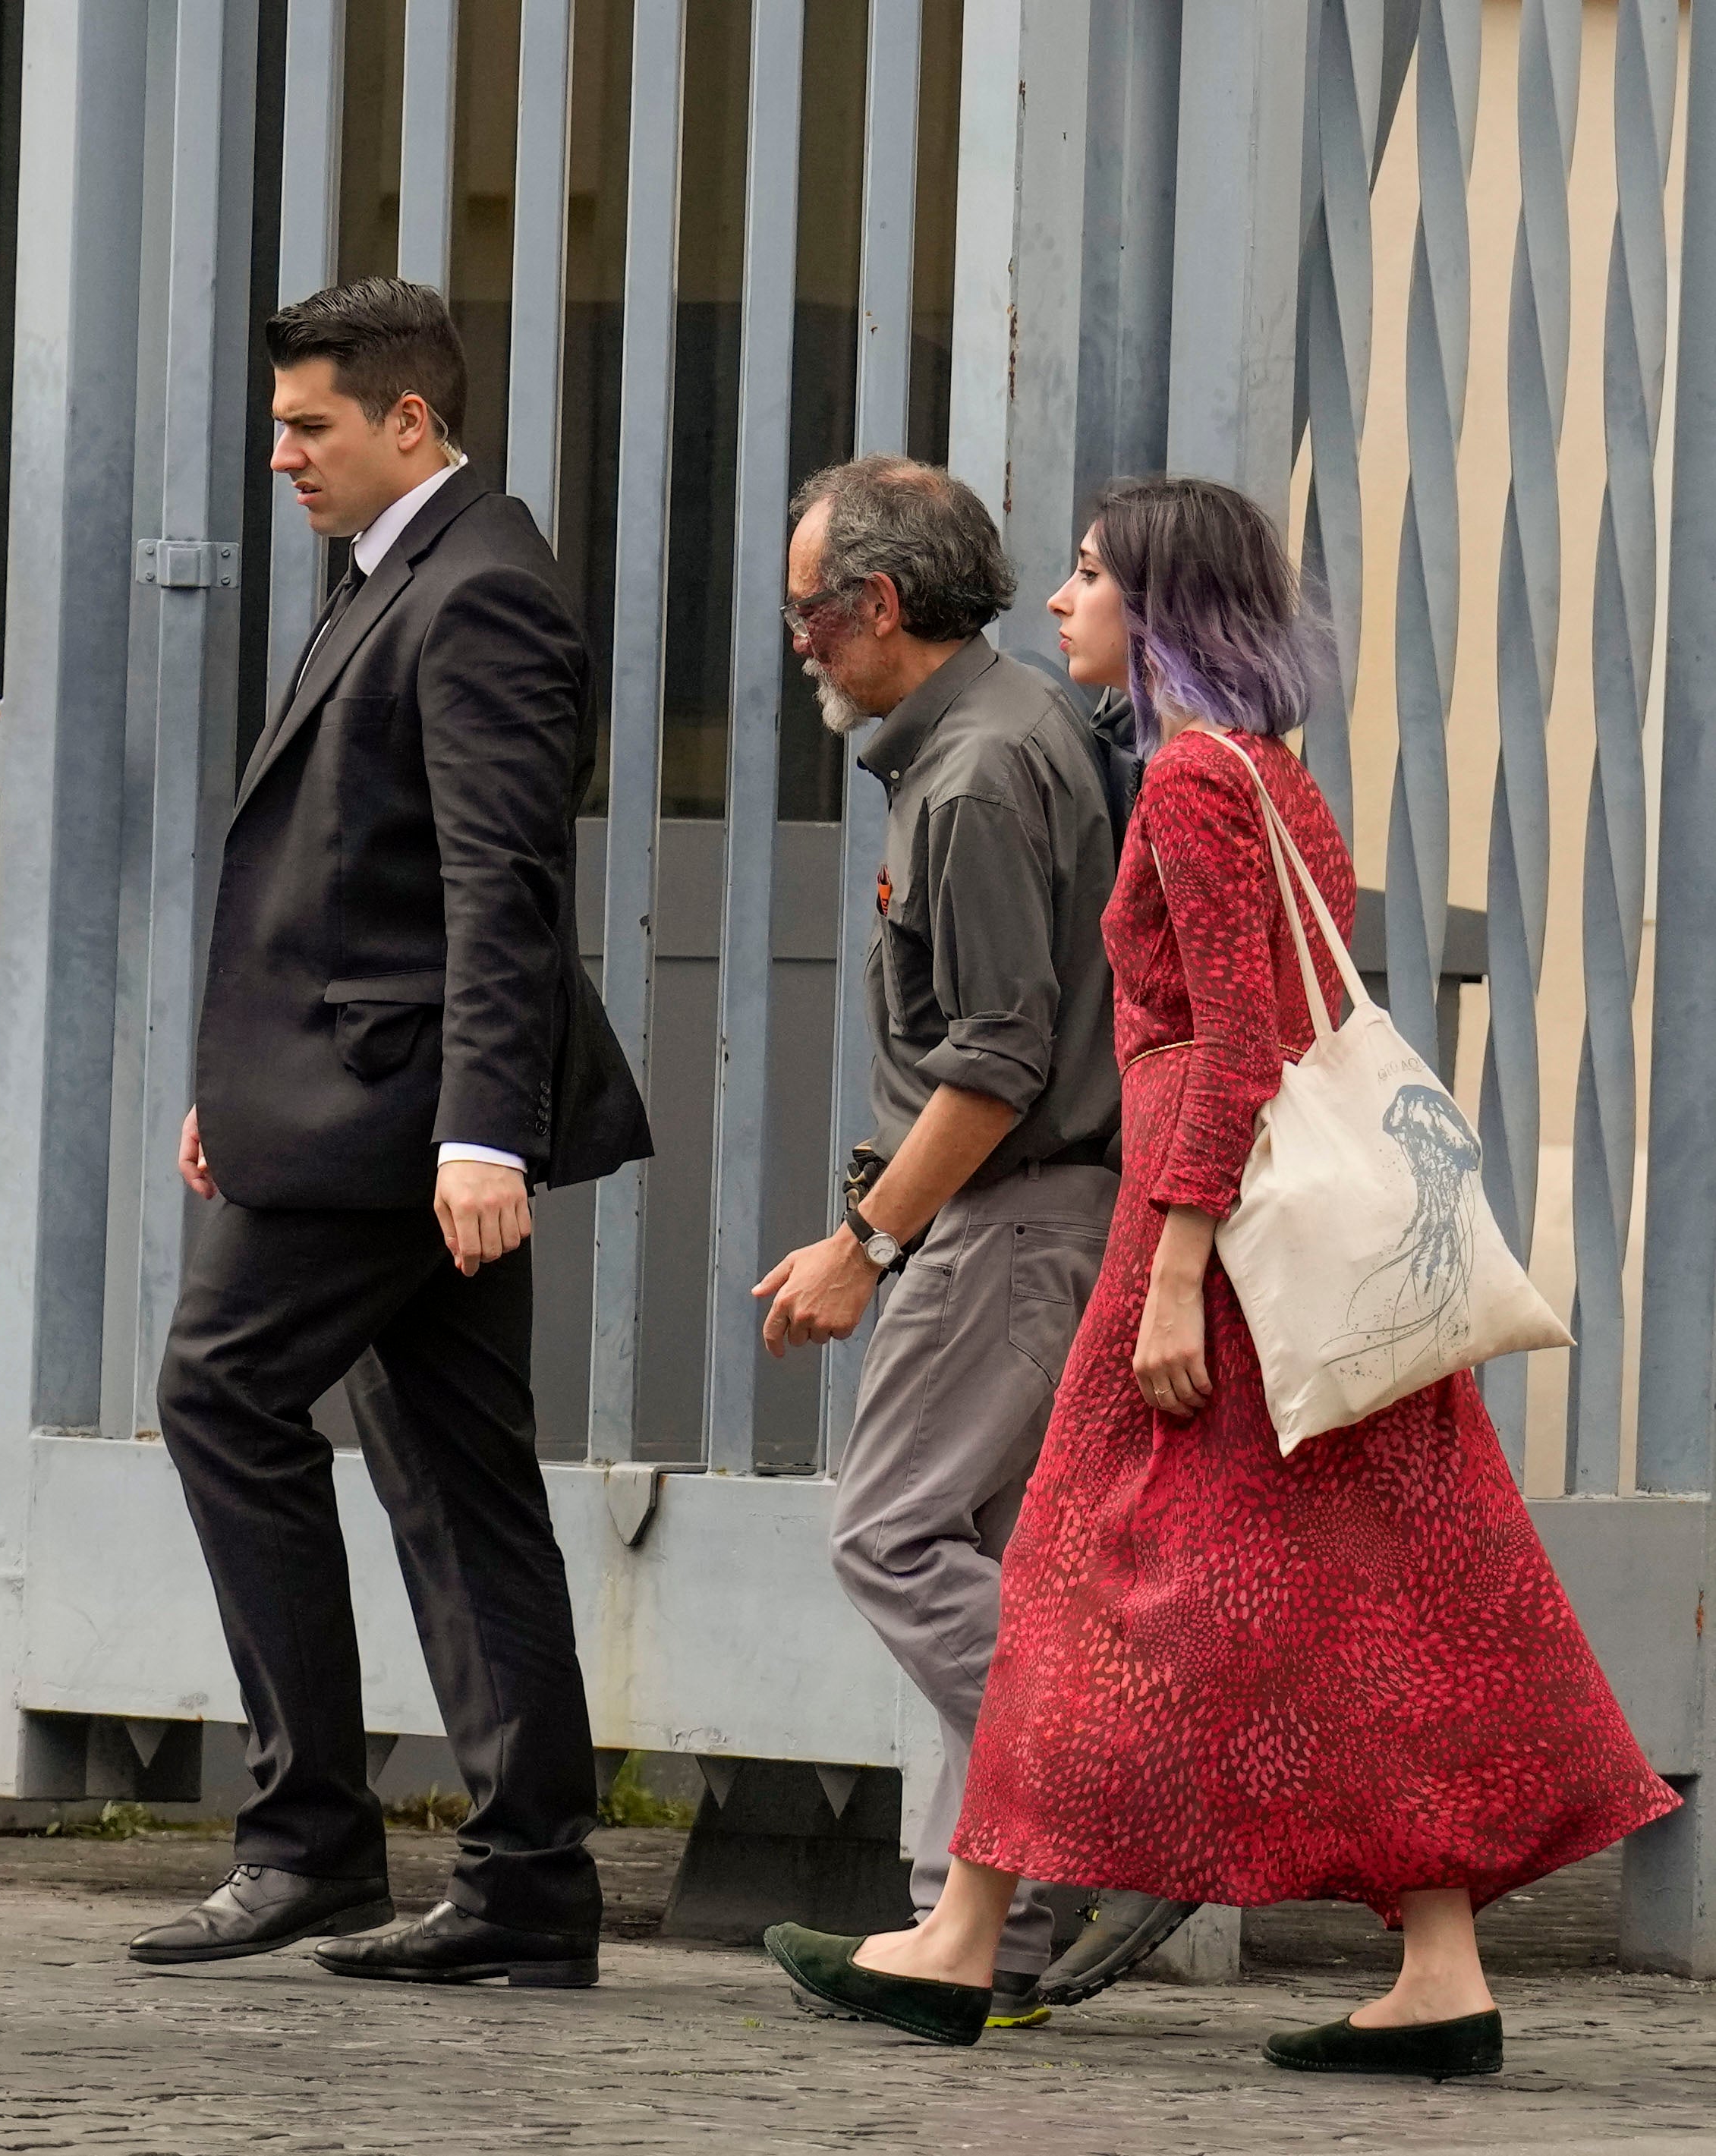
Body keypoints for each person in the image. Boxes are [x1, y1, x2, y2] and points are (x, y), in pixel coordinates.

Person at [764, 475, 1680, 2075]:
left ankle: (973, 1930)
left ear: (1160, 611)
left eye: (1093, 576)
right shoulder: (1269, 774)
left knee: (1064, 1579)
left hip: (1205, 1255)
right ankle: (1439, 1967)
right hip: (1308, 1270)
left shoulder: (1190, 780)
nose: (1060, 601)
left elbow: (1234, 1041)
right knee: (1372, 1606)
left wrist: (1177, 1263)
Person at [126, 278, 651, 1988]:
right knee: (457, 1470)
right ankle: (529, 1882)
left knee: (218, 1387)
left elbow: (505, 887)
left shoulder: (483, 590)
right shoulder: (404, 569)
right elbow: (352, 879)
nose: (279, 453)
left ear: (408, 422)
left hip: (405, 1120)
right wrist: (238, 1087)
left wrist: (482, 1134)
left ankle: (310, 1840)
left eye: (309, 425)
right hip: (359, 1103)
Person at [748, 456, 1176, 2023]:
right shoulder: (997, 737)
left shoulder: (983, 769)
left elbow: (996, 1060)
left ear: (873, 606)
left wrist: (865, 1236)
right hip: (1033, 1212)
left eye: (807, 613)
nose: (798, 643)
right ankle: (974, 1928)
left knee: (891, 1531)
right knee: (987, 1560)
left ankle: (1120, 1776)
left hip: (1017, 1217)